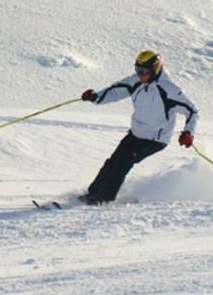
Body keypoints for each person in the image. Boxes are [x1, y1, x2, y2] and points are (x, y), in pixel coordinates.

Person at [79, 50, 198, 204]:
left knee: (123, 162)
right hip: (135, 134)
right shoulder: (136, 81)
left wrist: (188, 132)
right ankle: (93, 193)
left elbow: (192, 111)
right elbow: (115, 90)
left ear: (155, 69)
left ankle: (103, 198)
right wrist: (96, 97)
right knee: (113, 161)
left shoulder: (169, 90)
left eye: (144, 71)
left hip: (155, 140)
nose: (140, 75)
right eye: (138, 70)